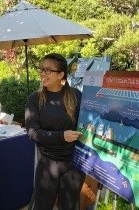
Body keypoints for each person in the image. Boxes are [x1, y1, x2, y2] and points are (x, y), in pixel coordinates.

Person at [25, 53, 86, 210]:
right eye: (42, 69)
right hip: (47, 163)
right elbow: (32, 133)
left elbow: (85, 127)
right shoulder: (35, 98)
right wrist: (62, 136)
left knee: (69, 206)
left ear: (61, 74)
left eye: (48, 70)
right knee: (43, 206)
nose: (43, 73)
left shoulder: (76, 96)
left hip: (74, 163)